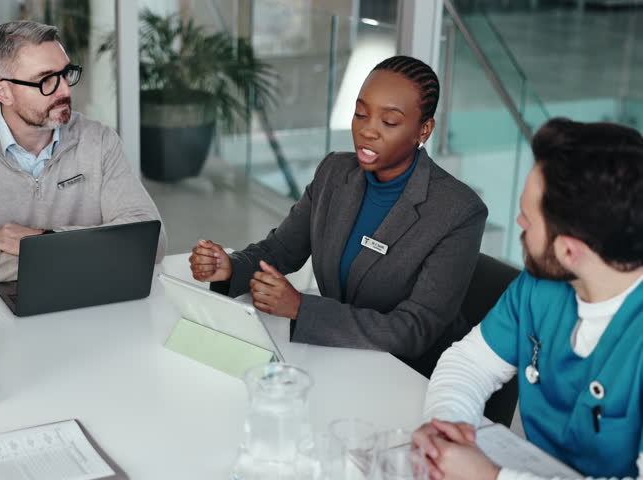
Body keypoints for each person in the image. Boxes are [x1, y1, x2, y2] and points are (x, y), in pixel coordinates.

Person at [188, 55, 487, 374]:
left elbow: (413, 330)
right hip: (338, 357)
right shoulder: (335, 172)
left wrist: (302, 309)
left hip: (411, 376)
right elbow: (280, 251)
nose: (368, 131)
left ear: (423, 129)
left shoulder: (457, 211)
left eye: (388, 122)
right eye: (361, 114)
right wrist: (230, 268)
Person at [413, 118, 643, 480]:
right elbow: (469, 364)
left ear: (569, 251)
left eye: (528, 220)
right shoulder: (541, 284)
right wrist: (449, 428)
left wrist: (488, 476)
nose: (518, 221)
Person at [0, 21, 166, 291]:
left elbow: (151, 239)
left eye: (66, 74)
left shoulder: (99, 141)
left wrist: (42, 240)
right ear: (3, 91)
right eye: (46, 80)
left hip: (87, 300)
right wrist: (76, 255)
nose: (65, 90)